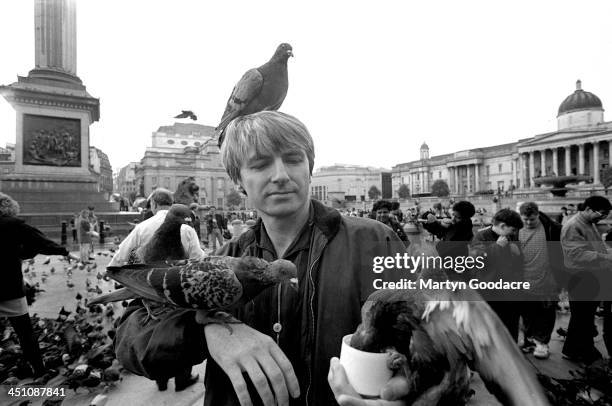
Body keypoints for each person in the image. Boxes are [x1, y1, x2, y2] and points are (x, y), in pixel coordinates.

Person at [116, 111, 409, 405]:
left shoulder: (377, 242)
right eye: (260, 164)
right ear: (239, 182)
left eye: (293, 159)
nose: (280, 176)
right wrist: (206, 331)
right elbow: (129, 340)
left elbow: (432, 337)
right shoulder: (221, 258)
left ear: (309, 168)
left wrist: (411, 385)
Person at [0, 192, 79, 379]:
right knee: (24, 332)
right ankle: (39, 370)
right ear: (9, 209)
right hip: (8, 287)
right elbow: (39, 242)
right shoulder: (13, 224)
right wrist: (65, 252)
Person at [560, 195, 612, 364]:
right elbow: (576, 254)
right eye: (602, 213)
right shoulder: (573, 225)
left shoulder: (588, 223)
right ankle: (587, 352)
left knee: (582, 316)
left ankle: (570, 350)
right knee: (583, 317)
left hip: (590, 275)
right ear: (589, 209)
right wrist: (605, 257)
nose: (603, 217)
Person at [109, 188, 205, 267]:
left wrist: (110, 269)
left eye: (150, 204)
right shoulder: (187, 228)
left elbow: (123, 254)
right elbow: (197, 257)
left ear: (154, 204)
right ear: (172, 204)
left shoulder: (142, 227)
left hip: (149, 281)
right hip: (177, 280)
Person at [517, 202, 564, 359]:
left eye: (532, 219)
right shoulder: (515, 228)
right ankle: (530, 339)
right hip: (523, 279)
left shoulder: (553, 228)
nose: (529, 223)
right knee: (527, 312)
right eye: (526, 220)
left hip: (547, 279)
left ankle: (542, 343)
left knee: (546, 312)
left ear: (538, 214)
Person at [470, 208, 524, 341]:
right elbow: (477, 260)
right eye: (513, 229)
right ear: (502, 226)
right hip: (490, 292)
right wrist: (497, 247)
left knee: (511, 326)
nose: (515, 233)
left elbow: (518, 260)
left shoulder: (510, 236)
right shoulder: (481, 236)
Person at [422, 200, 475, 280]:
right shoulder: (455, 225)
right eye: (453, 215)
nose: (453, 219)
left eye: (458, 217)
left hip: (456, 269)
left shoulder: (463, 229)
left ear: (465, 219)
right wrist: (428, 217)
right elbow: (438, 230)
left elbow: (444, 244)